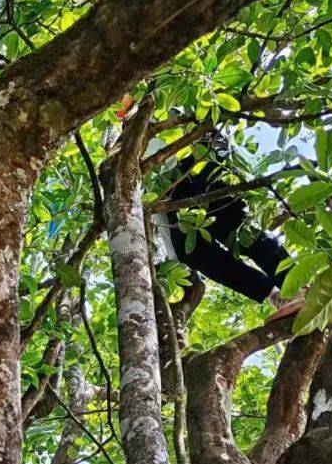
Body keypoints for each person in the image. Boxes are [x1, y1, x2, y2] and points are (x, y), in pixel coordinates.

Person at [116, 97, 301, 317]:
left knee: (238, 226)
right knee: (193, 252)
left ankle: (296, 287)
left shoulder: (162, 95)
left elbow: (202, 117)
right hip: (168, 192)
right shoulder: (122, 141)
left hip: (198, 161)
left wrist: (215, 156)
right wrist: (175, 252)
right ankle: (275, 295)